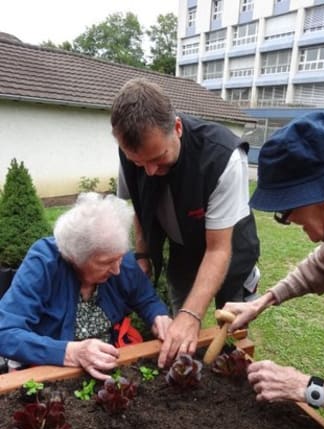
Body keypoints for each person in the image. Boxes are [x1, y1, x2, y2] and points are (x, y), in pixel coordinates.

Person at [224, 111, 324, 429]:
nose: (287, 220)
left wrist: (307, 387)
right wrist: (262, 301)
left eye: (287, 210)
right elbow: (323, 262)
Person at [111, 78, 260, 368]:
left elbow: (218, 250)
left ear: (177, 128)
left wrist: (192, 316)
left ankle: (231, 369)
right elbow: (141, 208)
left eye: (158, 158)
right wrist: (142, 254)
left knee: (232, 329)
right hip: (183, 249)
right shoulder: (131, 152)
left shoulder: (222, 156)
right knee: (182, 321)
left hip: (230, 251)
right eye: (140, 163)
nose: (150, 171)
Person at [0, 192, 171, 380]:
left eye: (120, 257)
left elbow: (146, 299)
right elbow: (5, 332)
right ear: (75, 258)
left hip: (112, 363)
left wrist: (158, 316)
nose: (116, 270)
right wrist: (71, 352)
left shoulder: (119, 259)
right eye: (106, 262)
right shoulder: (44, 263)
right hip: (54, 369)